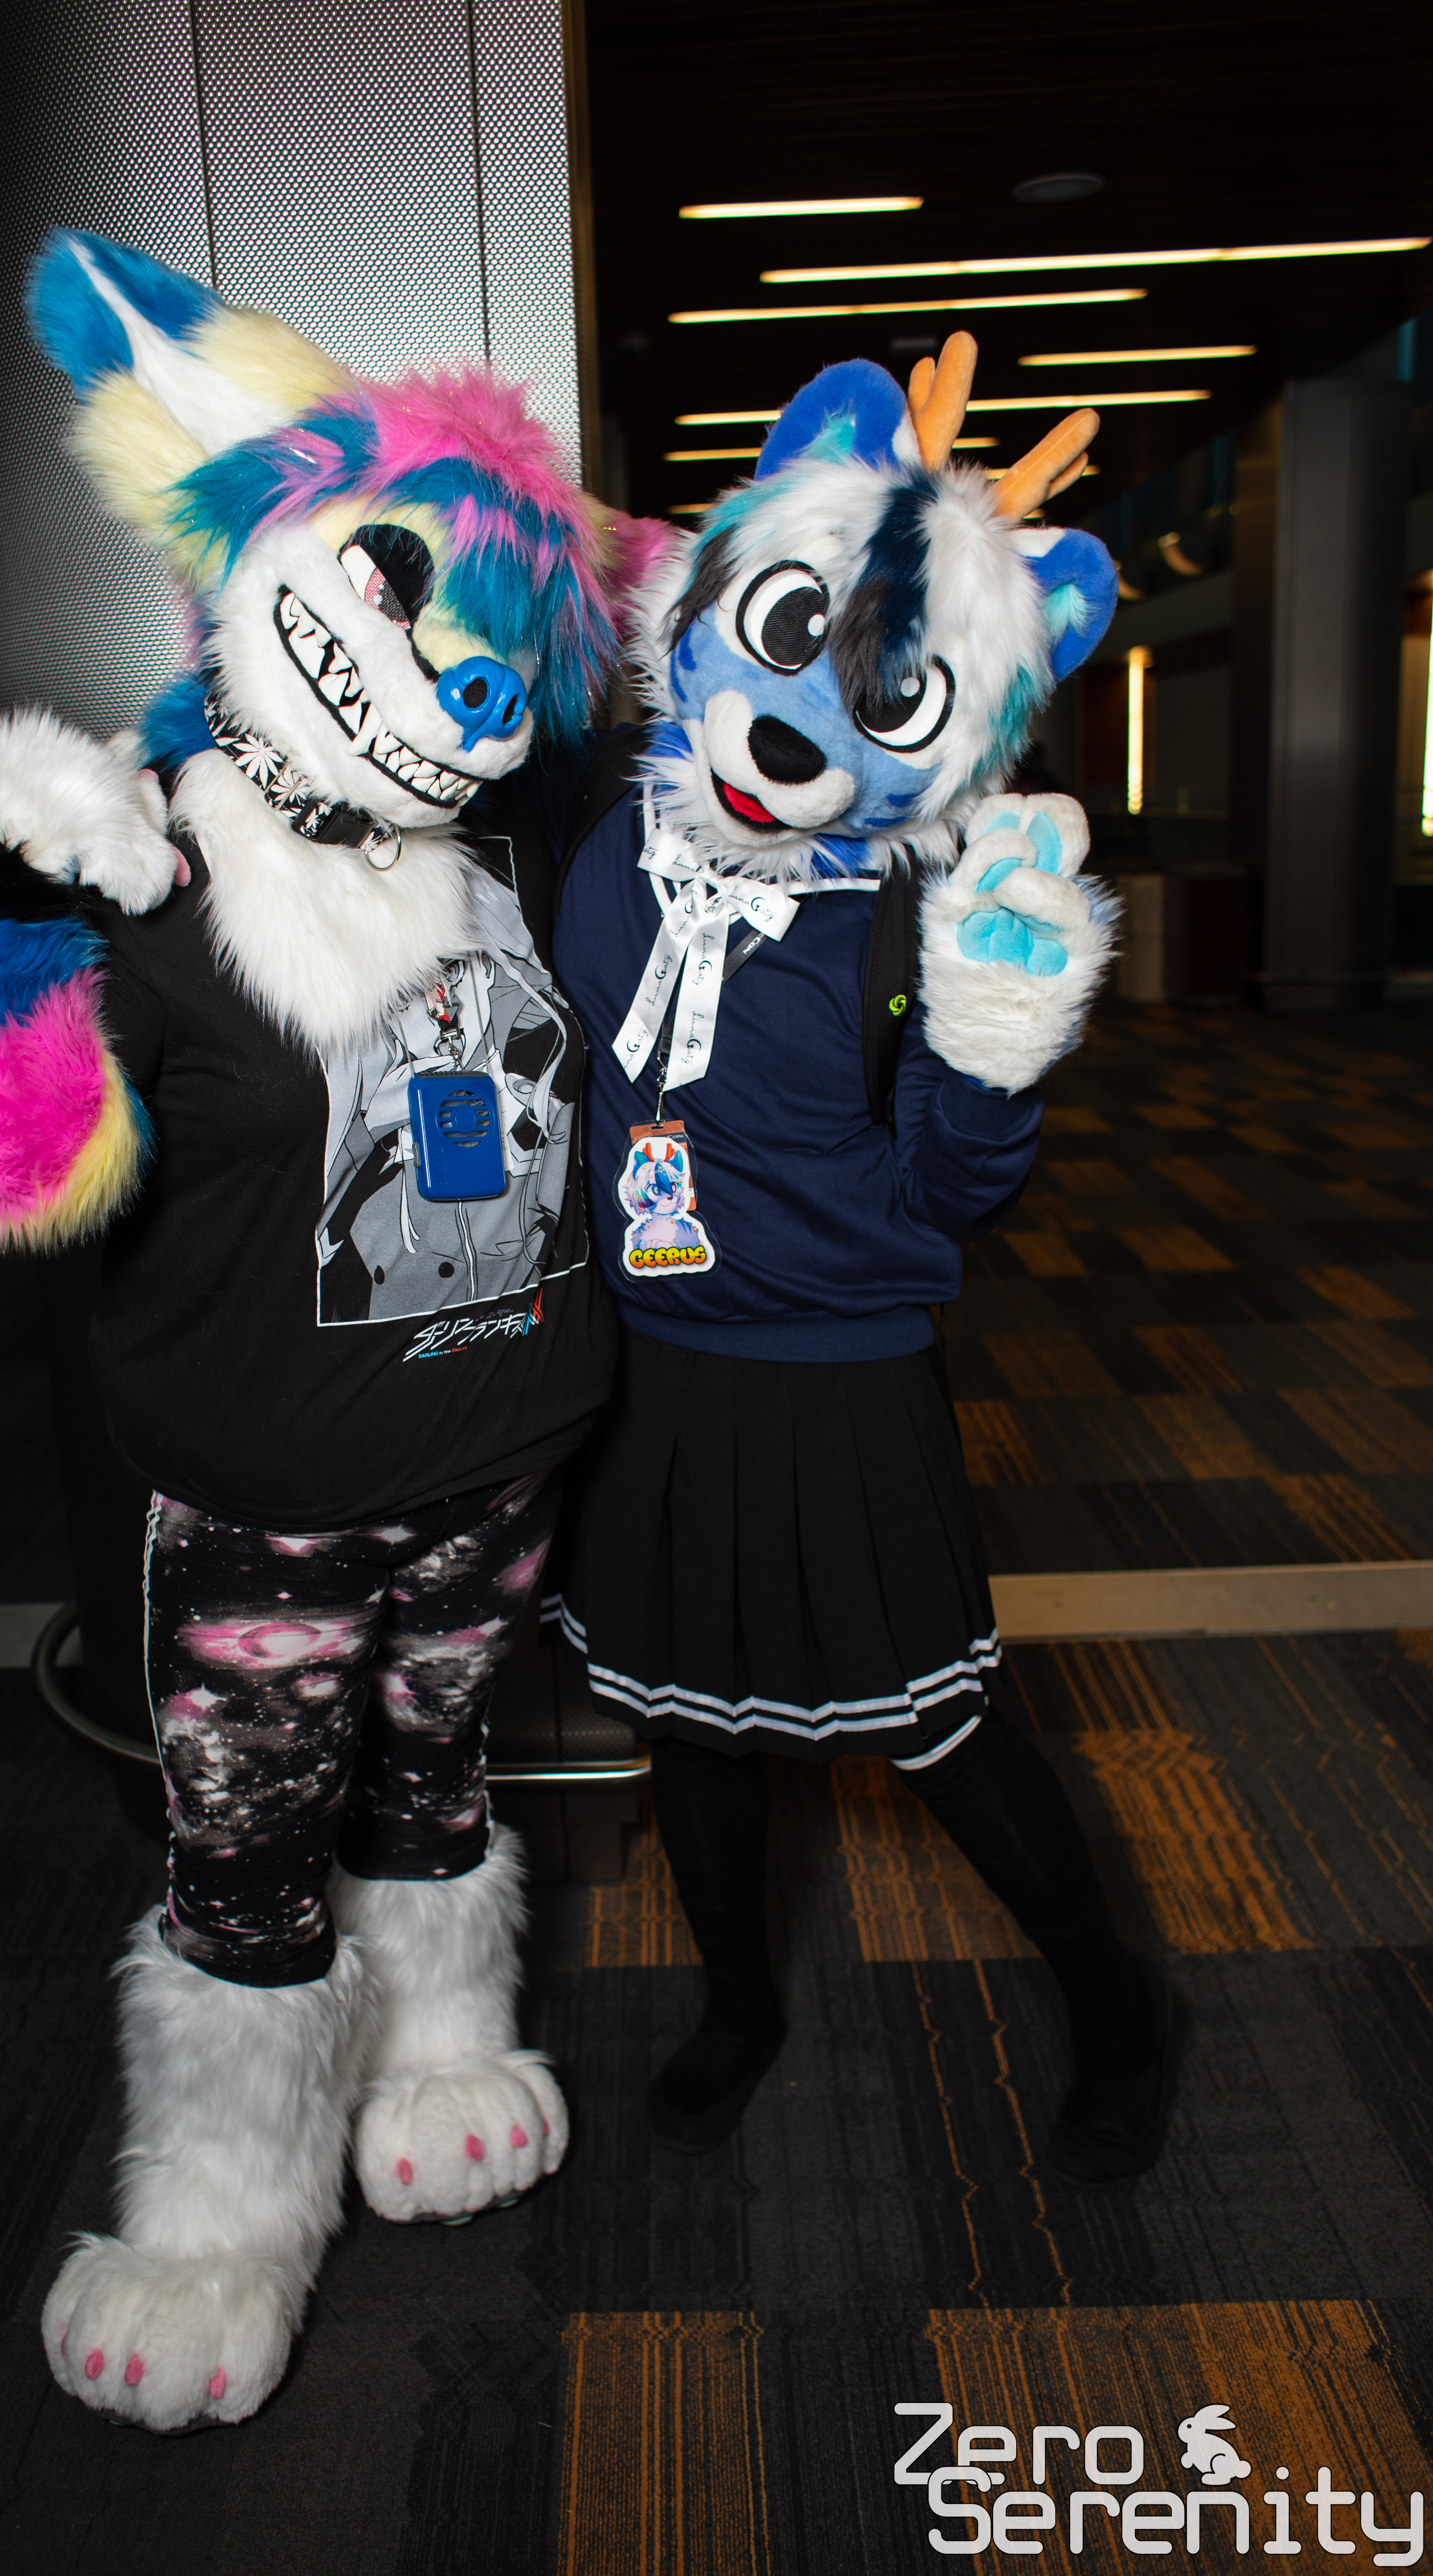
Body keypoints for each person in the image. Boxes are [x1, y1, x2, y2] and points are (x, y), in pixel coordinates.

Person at [0, 231, 646, 2431]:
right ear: (265, 556)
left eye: (501, 649)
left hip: (502, 1465)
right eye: (406, 591)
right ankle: (221, 2209)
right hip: (267, 1502)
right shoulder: (157, 890)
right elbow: (16, 1176)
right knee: (248, 1855)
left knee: (436, 1780)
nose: (463, 685)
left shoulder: (504, 865)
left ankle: (446, 2046)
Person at [510, 338, 1173, 2189]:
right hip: (650, 1366)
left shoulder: (910, 900)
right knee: (687, 1721)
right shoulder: (611, 837)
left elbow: (958, 1194)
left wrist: (996, 1047)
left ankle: (1119, 2005)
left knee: (937, 1727)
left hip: (839, 1371)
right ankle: (741, 2005)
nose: (797, 727)